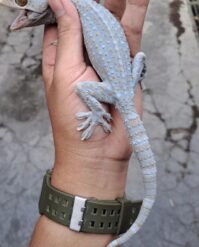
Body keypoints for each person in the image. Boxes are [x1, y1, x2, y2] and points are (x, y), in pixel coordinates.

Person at [29, 0, 150, 246]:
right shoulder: (85, 10)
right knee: (139, 56)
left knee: (83, 88)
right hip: (127, 81)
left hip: (115, 90)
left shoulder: (75, 13)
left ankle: (96, 112)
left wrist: (97, 113)